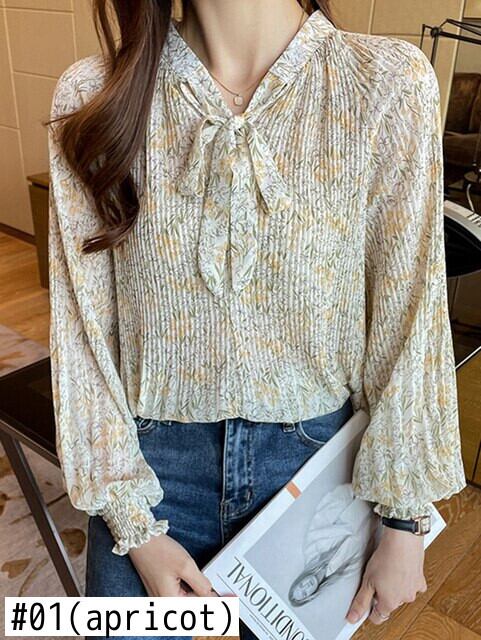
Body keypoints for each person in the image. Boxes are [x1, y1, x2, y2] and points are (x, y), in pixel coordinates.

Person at [46, 0, 467, 637]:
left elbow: (409, 314)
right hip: (150, 482)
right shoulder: (94, 95)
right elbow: (83, 332)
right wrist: (134, 527)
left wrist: (404, 516)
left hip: (316, 476)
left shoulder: (386, 85)